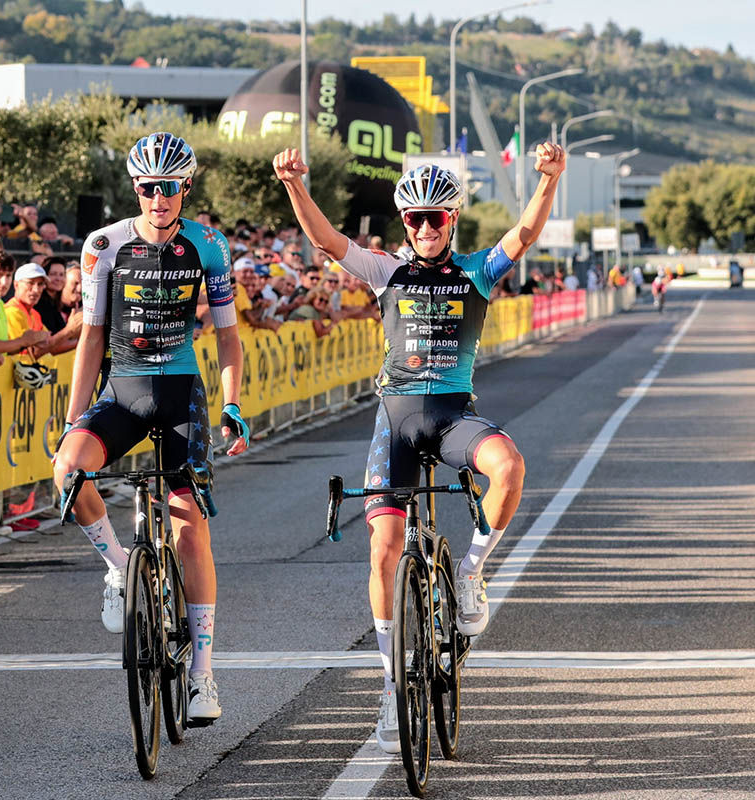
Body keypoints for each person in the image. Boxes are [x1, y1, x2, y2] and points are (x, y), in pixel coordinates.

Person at [274, 141, 564, 752]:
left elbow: (526, 232)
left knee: (509, 466)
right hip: (396, 422)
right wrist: (296, 185)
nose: (426, 228)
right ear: (405, 223)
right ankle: (389, 687)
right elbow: (328, 241)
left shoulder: (476, 271)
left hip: (455, 418)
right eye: (415, 219)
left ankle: (471, 572)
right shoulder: (387, 271)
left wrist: (549, 178)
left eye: (436, 217)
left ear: (452, 219)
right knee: (383, 550)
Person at [53, 132, 249, 725]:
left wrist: (233, 404)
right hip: (124, 392)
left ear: (186, 187)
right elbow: (91, 337)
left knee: (190, 530)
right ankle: (119, 566)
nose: (158, 198)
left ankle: (203, 675)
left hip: (180, 396)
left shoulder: (208, 245)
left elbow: (228, 336)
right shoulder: (103, 244)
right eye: (147, 188)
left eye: (169, 187)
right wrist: (73, 417)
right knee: (68, 470)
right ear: (135, 188)